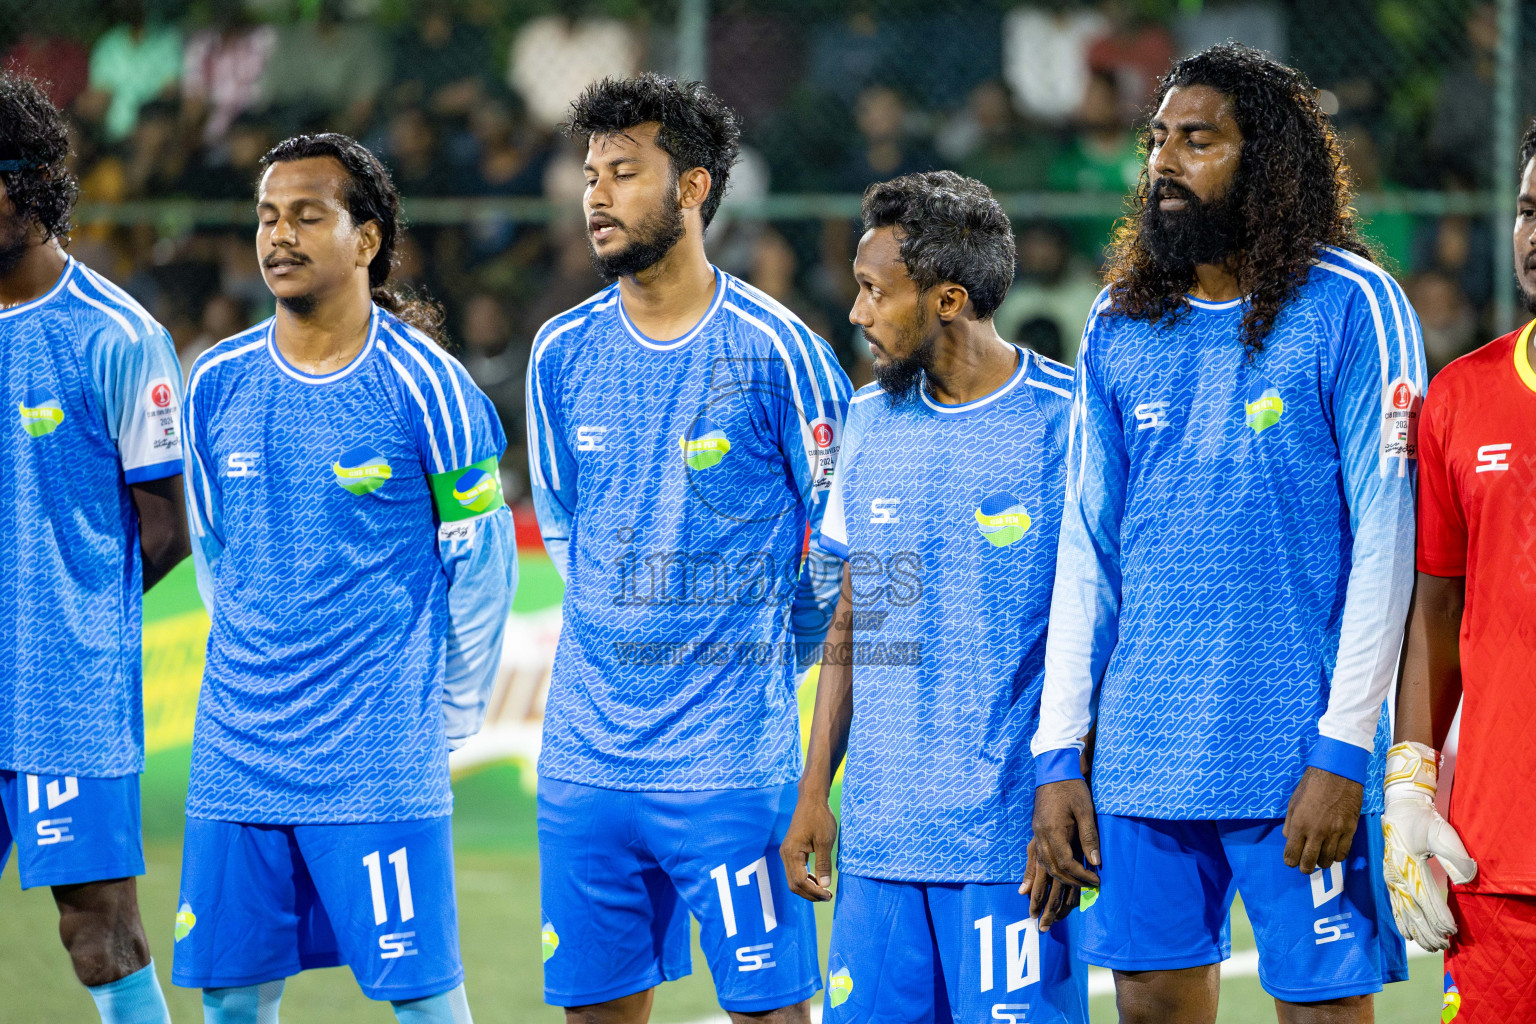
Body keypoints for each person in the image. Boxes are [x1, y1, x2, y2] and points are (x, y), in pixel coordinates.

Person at [1029, 43, 1420, 1024]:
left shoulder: (1352, 305)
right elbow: (1088, 552)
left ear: (1268, 160)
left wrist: (1343, 750)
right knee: (1153, 1006)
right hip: (1142, 754)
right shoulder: (1119, 319)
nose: (1164, 162)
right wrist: (1059, 753)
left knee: (1324, 1011)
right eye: (1157, 140)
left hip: (1298, 755)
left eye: (1196, 139)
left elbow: (1389, 541)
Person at [527, 74, 851, 1023]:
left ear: (694, 188)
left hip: (729, 766)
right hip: (584, 761)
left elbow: (837, 554)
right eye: (589, 173)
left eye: (624, 172)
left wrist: (768, 660)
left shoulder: (780, 351)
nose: (595, 195)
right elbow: (570, 532)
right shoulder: (559, 352)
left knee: (773, 1013)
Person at [172, 133, 517, 1023]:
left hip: (375, 756)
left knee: (424, 1000)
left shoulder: (427, 386)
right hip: (236, 751)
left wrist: (443, 713)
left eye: (306, 216)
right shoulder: (214, 382)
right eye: (267, 217)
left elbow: (481, 565)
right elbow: (217, 554)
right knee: (231, 1002)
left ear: (365, 240)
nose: (278, 236)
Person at [780, 171, 1088, 1022]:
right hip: (880, 842)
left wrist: (1068, 791)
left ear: (949, 298)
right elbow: (851, 614)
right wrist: (817, 791)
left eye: (876, 291)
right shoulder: (868, 419)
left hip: (1008, 845)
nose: (857, 312)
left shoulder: (1068, 421)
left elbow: (1108, 632)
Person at [0, 69, 187, 1024]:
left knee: (99, 933)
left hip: (63, 686)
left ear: (28, 186)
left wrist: (71, 607)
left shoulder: (115, 334)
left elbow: (168, 521)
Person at [1386, 117, 1536, 1022]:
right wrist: (1409, 785)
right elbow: (1436, 606)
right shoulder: (1463, 397)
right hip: (1494, 855)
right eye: (1527, 209)